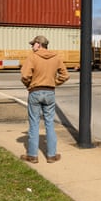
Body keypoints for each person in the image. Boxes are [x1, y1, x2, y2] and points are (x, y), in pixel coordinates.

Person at [20, 35, 70, 163]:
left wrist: (29, 85)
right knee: (49, 124)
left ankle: (32, 155)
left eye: (33, 44)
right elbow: (65, 75)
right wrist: (54, 82)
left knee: (34, 124)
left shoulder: (32, 57)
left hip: (35, 92)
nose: (32, 47)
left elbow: (25, 76)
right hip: (50, 93)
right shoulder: (56, 57)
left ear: (38, 44)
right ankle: (51, 155)